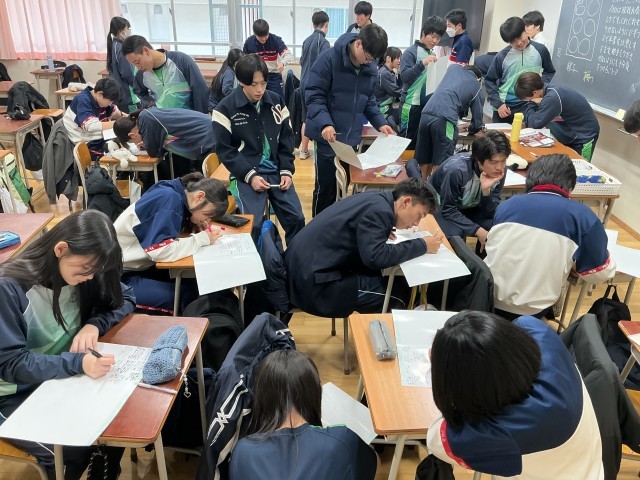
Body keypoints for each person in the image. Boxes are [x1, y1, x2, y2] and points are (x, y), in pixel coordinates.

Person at [0, 210, 136, 479]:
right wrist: (77, 362)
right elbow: (10, 364)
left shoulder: (83, 273)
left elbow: (126, 297)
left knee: (114, 422)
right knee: (69, 452)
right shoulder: (10, 288)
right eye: (86, 270)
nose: (91, 277)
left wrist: (94, 324)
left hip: (54, 378)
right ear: (61, 250)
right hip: (10, 393)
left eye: (96, 271)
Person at [427, 311, 604, 479]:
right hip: (582, 466)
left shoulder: (507, 435)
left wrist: (441, 373)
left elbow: (435, 439)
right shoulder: (536, 329)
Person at [285, 178, 443, 318]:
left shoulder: (377, 199)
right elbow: (376, 257)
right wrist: (423, 245)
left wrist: (381, 231)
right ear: (406, 202)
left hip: (304, 267)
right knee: (397, 296)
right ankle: (374, 338)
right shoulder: (380, 212)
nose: (416, 223)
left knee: (392, 282)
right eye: (419, 215)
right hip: (315, 285)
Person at [484, 153, 616, 319]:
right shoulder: (582, 216)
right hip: (532, 308)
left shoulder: (506, 205)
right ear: (571, 186)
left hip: (488, 297)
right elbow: (599, 274)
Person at [229, 350, 377, 479]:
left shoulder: (242, 452)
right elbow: (373, 465)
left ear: (261, 397)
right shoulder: (342, 440)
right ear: (315, 392)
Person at [212, 54, 305, 244]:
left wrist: (286, 170)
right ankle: (258, 261)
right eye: (254, 84)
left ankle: (293, 259)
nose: (260, 90)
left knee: (297, 218)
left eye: (263, 83)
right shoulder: (225, 109)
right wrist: (250, 176)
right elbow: (225, 150)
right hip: (245, 173)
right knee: (252, 225)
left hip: (277, 171)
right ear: (242, 82)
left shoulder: (276, 101)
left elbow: (286, 139)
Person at [305, 24, 395, 216]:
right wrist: (325, 123)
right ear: (358, 43)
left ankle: (336, 225)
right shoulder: (329, 59)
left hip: (350, 138)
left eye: (373, 59)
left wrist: (381, 123)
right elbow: (314, 95)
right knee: (326, 188)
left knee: (344, 185)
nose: (368, 62)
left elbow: (368, 100)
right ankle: (318, 226)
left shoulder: (369, 67)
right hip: (327, 138)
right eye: (368, 57)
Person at [114, 173, 228, 313]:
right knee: (181, 298)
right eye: (207, 215)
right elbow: (160, 252)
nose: (207, 221)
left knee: (194, 285)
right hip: (118, 278)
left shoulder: (174, 191)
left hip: (140, 267)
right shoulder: (169, 200)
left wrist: (191, 224)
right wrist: (202, 239)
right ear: (199, 196)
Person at [429, 131, 510, 248]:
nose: (499, 167)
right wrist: (477, 230)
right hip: (441, 206)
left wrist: (486, 191)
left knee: (497, 226)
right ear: (479, 160)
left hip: (469, 206)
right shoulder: (456, 171)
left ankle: (483, 258)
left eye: (503, 161)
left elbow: (490, 212)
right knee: (455, 233)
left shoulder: (499, 171)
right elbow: (448, 209)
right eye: (494, 162)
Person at [416, 64, 485, 178]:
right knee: (441, 159)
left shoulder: (453, 69)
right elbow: (477, 123)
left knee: (425, 157)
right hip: (445, 118)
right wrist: (470, 128)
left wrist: (454, 128)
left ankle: (422, 184)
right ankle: (435, 188)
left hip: (425, 114)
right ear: (478, 78)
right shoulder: (477, 85)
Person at [515, 72, 600, 160]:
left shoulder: (552, 97)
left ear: (535, 92)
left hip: (584, 136)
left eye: (527, 99)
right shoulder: (547, 91)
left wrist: (531, 103)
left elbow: (533, 124)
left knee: (579, 165)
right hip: (570, 134)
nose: (527, 102)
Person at [485, 16, 555, 123]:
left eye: (519, 37)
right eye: (512, 41)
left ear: (525, 30)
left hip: (529, 105)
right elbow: (489, 81)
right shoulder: (501, 56)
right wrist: (498, 104)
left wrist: (540, 87)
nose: (518, 43)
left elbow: (549, 71)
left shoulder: (541, 50)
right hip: (505, 107)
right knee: (498, 134)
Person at [113, 107, 217, 177]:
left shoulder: (146, 120)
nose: (136, 143)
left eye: (133, 142)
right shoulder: (145, 115)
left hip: (207, 136)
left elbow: (153, 152)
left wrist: (148, 144)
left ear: (132, 135)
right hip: (209, 130)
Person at [122, 35, 209, 113]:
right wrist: (152, 106)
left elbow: (200, 90)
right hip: (164, 121)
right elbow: (139, 91)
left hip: (190, 118)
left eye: (137, 62)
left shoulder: (181, 61)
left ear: (146, 51)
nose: (138, 67)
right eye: (134, 64)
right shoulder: (142, 74)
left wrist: (201, 118)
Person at [399, 16, 446, 149]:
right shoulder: (410, 52)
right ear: (424, 32)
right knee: (406, 143)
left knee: (420, 145)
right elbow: (405, 77)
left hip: (426, 106)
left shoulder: (431, 53)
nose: (435, 41)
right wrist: (422, 63)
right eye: (433, 36)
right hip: (410, 105)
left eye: (438, 38)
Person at [62, 77, 124, 160]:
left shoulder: (100, 98)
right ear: (100, 94)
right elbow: (90, 126)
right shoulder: (83, 100)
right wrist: (117, 123)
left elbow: (115, 111)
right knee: (115, 155)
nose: (110, 104)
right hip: (85, 141)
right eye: (110, 101)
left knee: (122, 144)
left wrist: (126, 117)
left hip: (98, 137)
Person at [298, 10, 330, 160]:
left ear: (313, 24)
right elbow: (325, 66)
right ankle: (307, 150)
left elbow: (302, 62)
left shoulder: (306, 40)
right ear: (327, 25)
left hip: (303, 83)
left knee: (306, 118)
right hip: (314, 86)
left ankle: (303, 150)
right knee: (313, 117)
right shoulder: (323, 42)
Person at [242, 19, 294, 100]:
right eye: (260, 38)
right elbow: (244, 62)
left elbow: (289, 55)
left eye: (266, 36)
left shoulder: (275, 40)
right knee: (256, 100)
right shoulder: (249, 43)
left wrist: (282, 63)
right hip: (256, 76)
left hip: (273, 76)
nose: (264, 39)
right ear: (255, 34)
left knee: (278, 99)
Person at [106, 16, 141, 113]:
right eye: (127, 29)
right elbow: (128, 74)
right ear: (120, 32)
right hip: (128, 95)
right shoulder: (121, 49)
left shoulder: (115, 45)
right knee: (134, 119)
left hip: (122, 94)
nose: (129, 31)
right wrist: (139, 87)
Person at [375, 46, 403, 131]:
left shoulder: (389, 72)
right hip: (383, 109)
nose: (399, 61)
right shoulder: (384, 73)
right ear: (388, 58)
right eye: (397, 58)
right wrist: (408, 93)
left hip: (389, 107)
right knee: (394, 131)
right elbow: (395, 91)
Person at [208, 48, 244, 112]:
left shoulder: (228, 68)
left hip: (217, 104)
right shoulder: (229, 73)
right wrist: (239, 94)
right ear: (235, 62)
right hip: (216, 107)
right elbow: (226, 90)